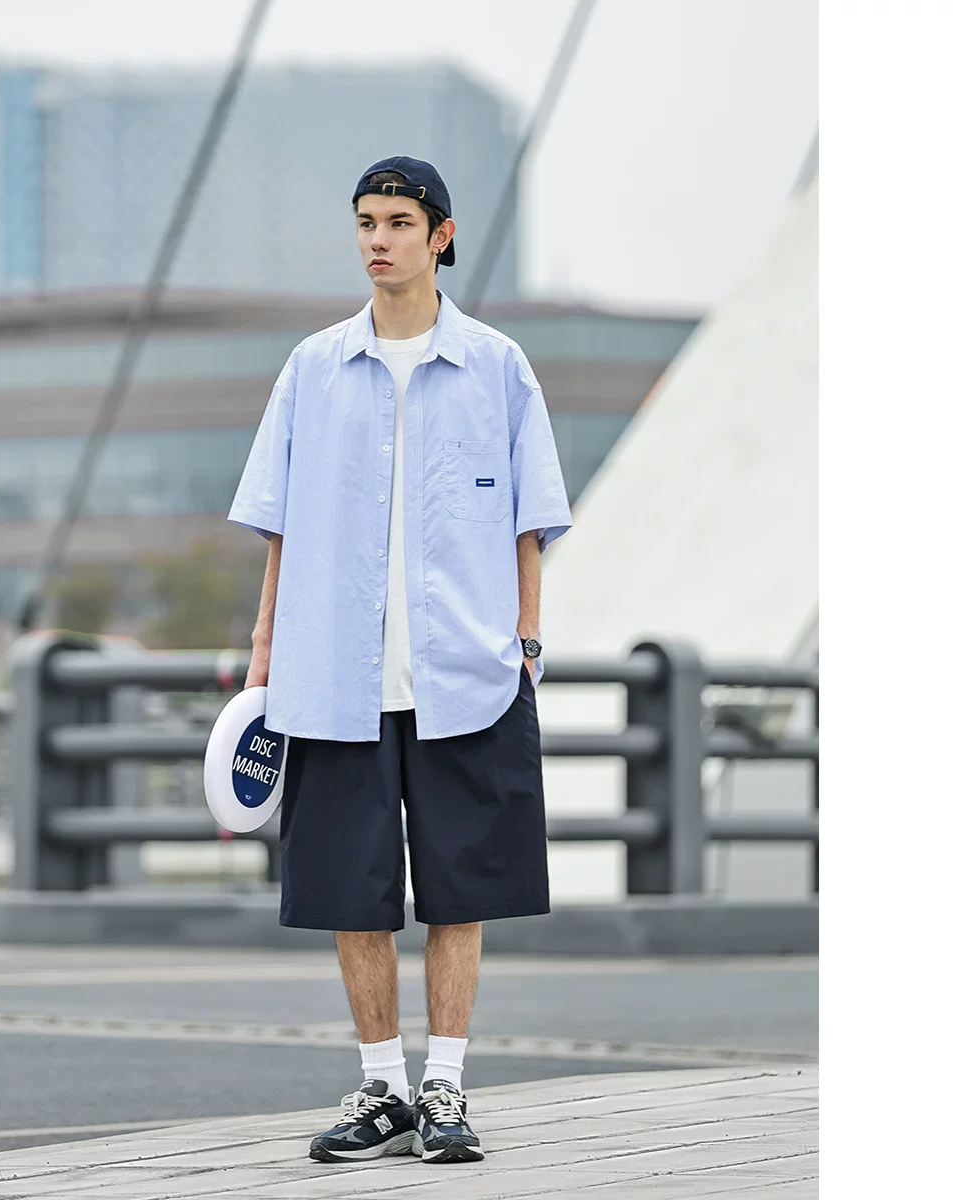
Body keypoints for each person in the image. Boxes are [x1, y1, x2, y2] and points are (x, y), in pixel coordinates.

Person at [227, 155, 573, 1165]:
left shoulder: (499, 367)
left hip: (469, 674)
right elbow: (278, 528)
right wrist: (264, 651)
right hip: (333, 677)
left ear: (441, 237)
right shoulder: (312, 368)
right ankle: (382, 1087)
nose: (377, 240)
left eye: (397, 223)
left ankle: (446, 1087)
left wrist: (527, 645)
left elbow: (531, 521)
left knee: (463, 889)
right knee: (352, 890)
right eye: (366, 223)